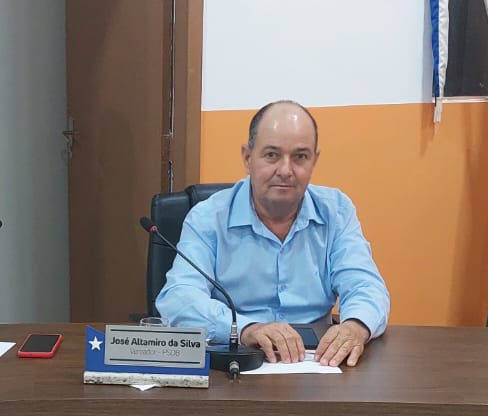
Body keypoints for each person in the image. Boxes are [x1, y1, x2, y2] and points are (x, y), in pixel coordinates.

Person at [155, 100, 389, 366]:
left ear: (314, 160)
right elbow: (179, 297)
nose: (286, 170)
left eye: (300, 157)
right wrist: (246, 329)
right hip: (238, 360)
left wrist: (355, 326)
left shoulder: (336, 211)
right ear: (247, 158)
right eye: (271, 155)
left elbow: (366, 286)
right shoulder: (208, 217)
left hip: (317, 363)